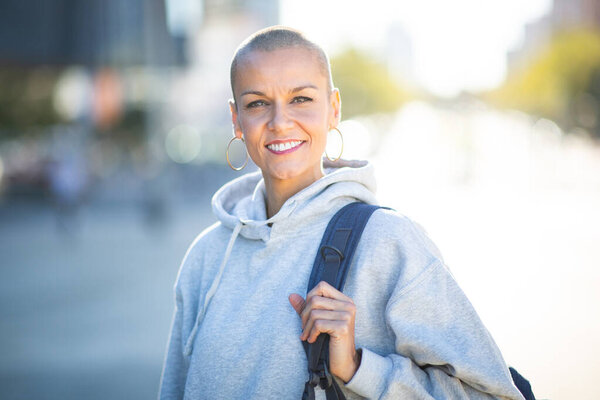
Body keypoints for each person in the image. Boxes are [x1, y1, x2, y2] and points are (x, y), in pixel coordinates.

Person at [158, 26, 525, 400]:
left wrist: (358, 368)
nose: (280, 121)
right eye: (257, 103)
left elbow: (492, 394)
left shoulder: (388, 241)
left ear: (333, 109)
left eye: (300, 98)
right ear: (237, 120)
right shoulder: (206, 257)